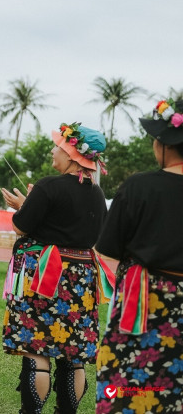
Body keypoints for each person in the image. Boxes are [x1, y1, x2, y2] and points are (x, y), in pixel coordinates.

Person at [1, 122, 112, 414]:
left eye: (58, 147)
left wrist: (23, 207)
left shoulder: (48, 186)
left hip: (48, 277)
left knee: (38, 347)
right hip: (82, 279)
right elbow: (78, 230)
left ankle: (32, 410)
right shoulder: (97, 194)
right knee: (73, 353)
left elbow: (20, 226)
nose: (53, 150)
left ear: (73, 155)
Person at [95, 97, 183, 414]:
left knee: (130, 383)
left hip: (144, 300)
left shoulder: (138, 186)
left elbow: (109, 250)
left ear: (163, 144)